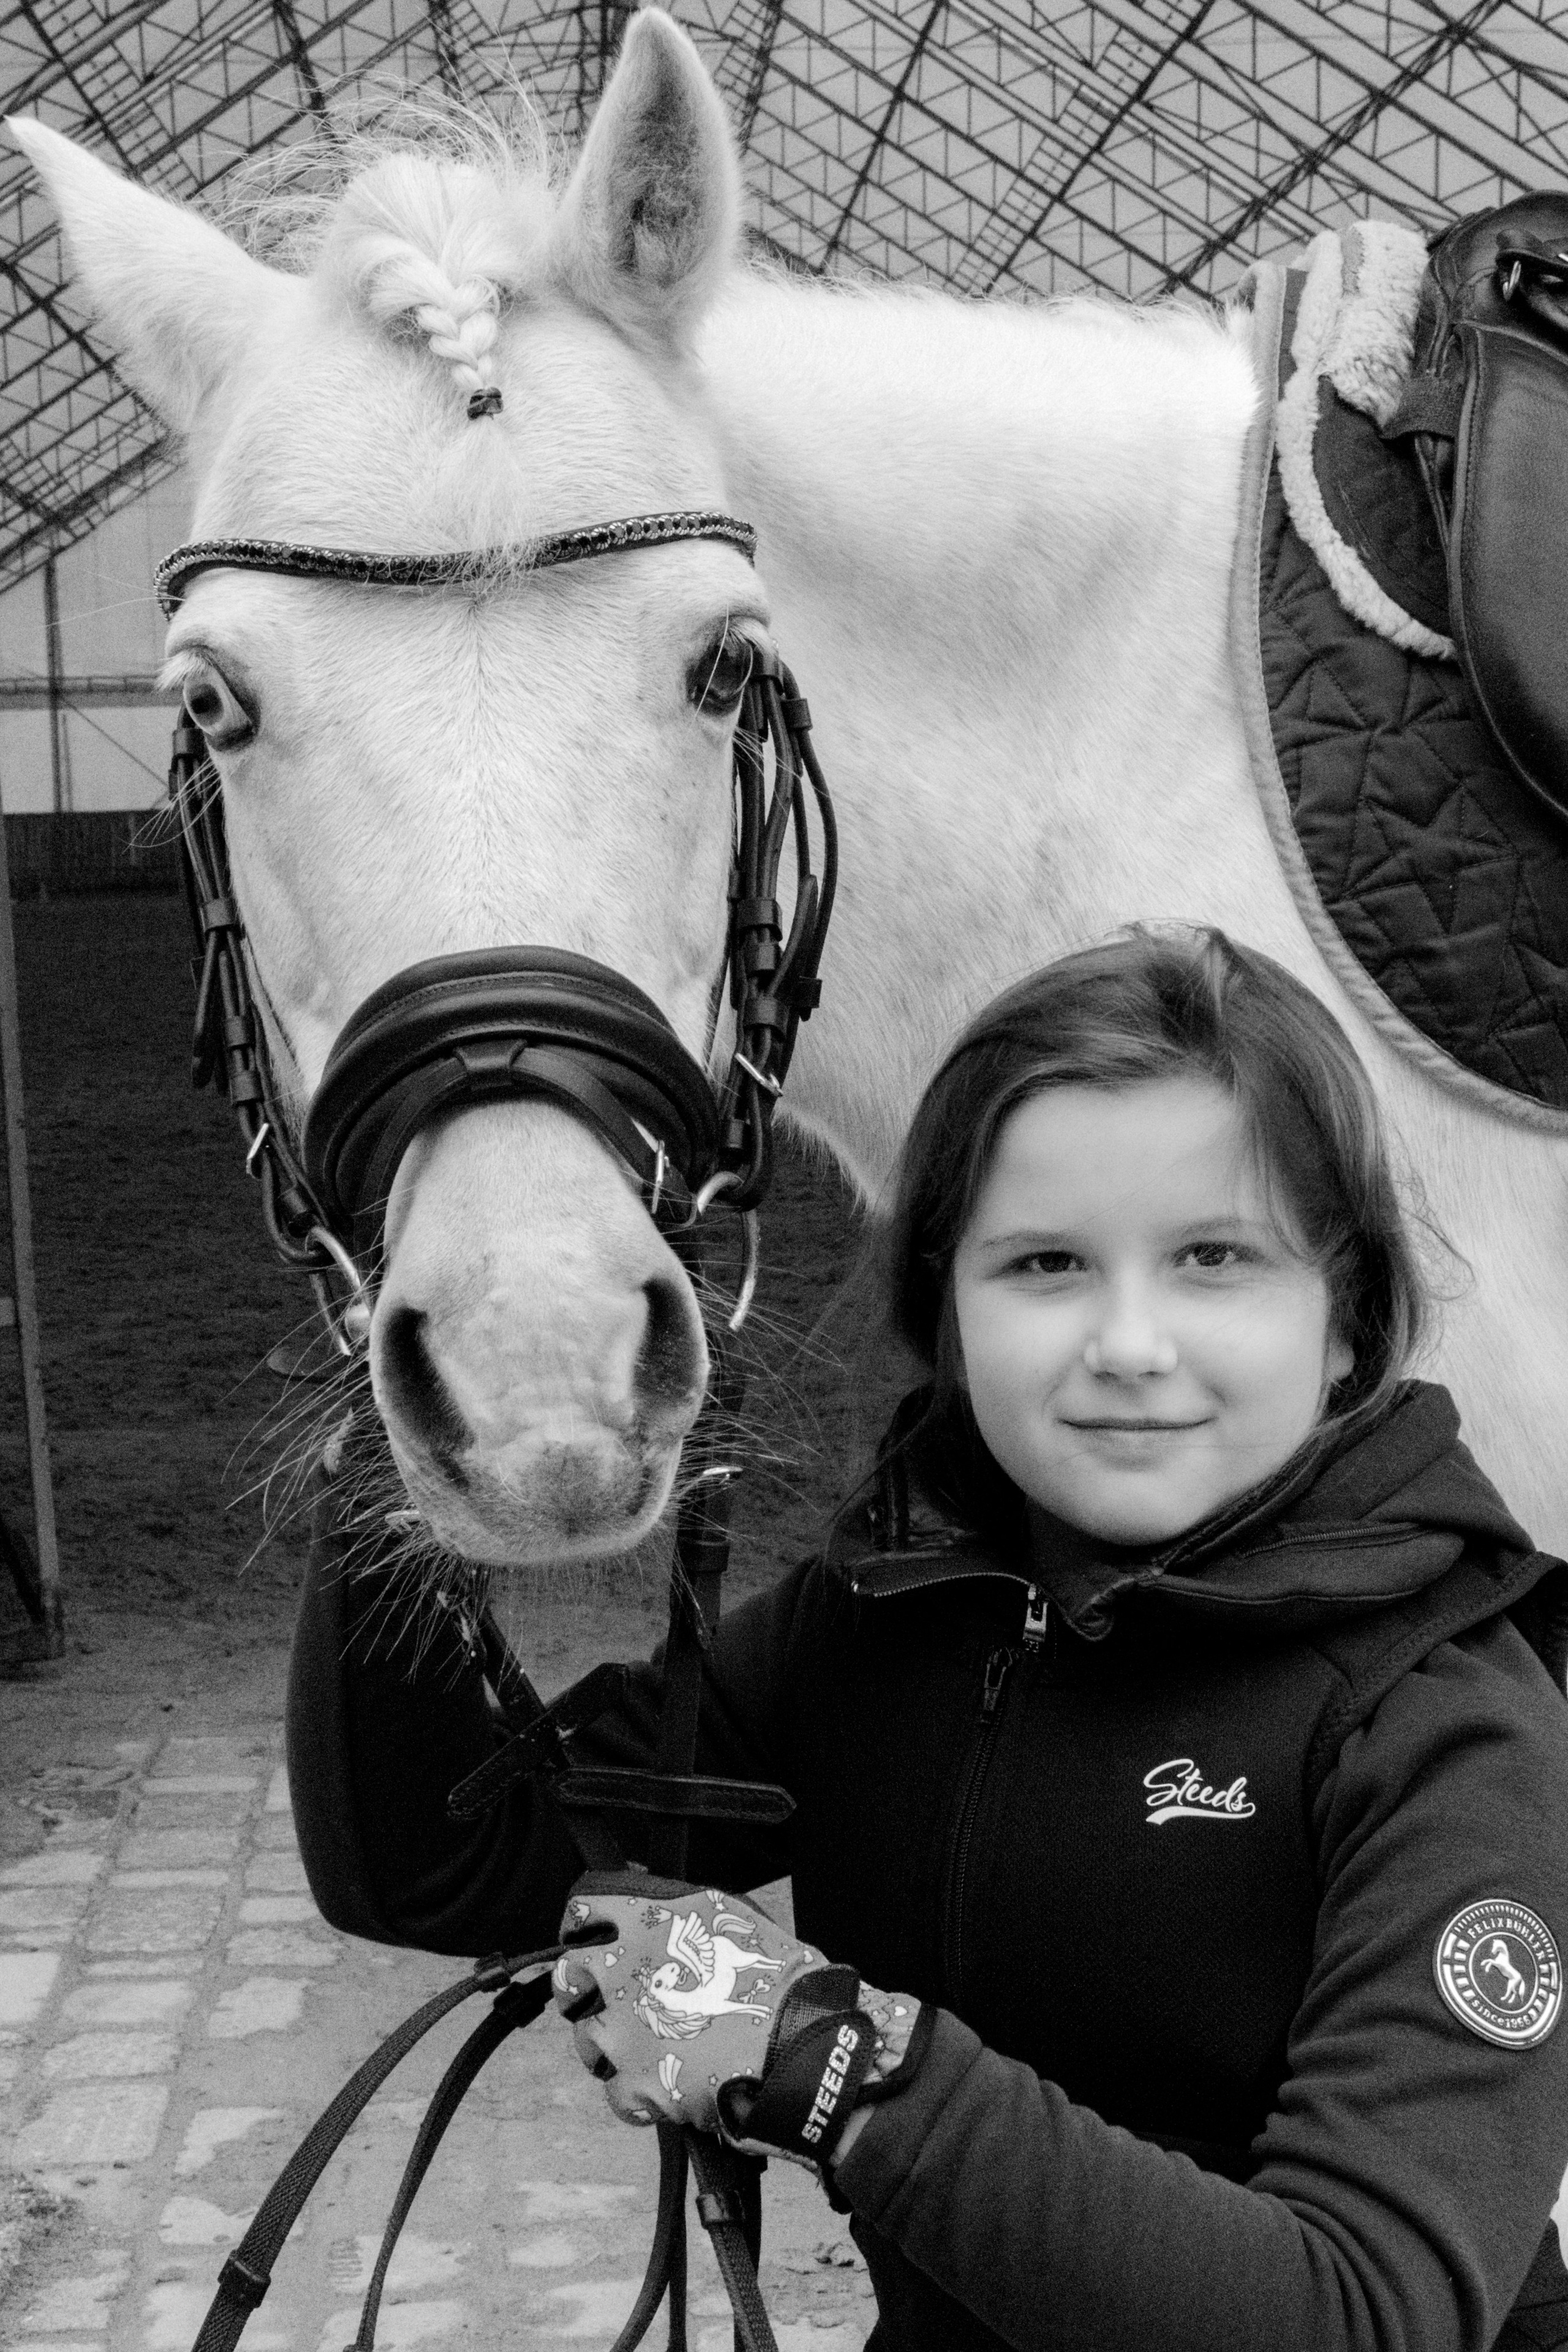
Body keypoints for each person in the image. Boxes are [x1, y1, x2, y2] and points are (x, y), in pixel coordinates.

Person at [287, 926, 1568, 2352]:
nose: (1128, 1343)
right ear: (947, 1313)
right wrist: (402, 1424)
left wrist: (840, 2069)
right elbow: (442, 1864)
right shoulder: (891, 1612)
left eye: (1214, 1258)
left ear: (1344, 1318)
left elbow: (1360, 2315)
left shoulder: (1443, 1722)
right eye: (1044, 1265)